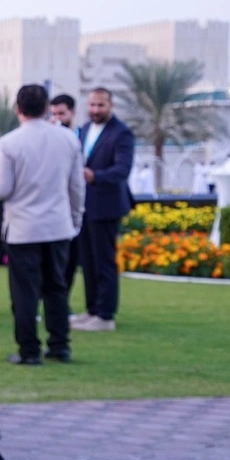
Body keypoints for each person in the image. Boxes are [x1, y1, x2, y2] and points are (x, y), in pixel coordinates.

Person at [0, 84, 84, 365]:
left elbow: (2, 189)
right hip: (58, 226)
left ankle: (29, 350)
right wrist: (75, 219)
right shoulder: (68, 139)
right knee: (57, 288)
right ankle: (60, 346)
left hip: (23, 228)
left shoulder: (9, 143)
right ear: (47, 108)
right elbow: (76, 186)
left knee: (25, 293)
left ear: (17, 109)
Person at [72, 87, 134, 331]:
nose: (95, 110)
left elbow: (122, 170)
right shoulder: (84, 130)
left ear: (110, 106)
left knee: (104, 262)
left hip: (106, 207)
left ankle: (105, 316)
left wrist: (95, 176)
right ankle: (92, 310)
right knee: (87, 262)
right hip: (85, 206)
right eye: (92, 105)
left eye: (100, 105)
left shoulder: (121, 133)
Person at [48, 93, 81, 290]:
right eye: (53, 114)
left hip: (76, 208)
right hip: (54, 210)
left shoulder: (80, 136)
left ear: (72, 113)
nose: (57, 119)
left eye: (61, 114)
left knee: (70, 262)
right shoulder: (48, 138)